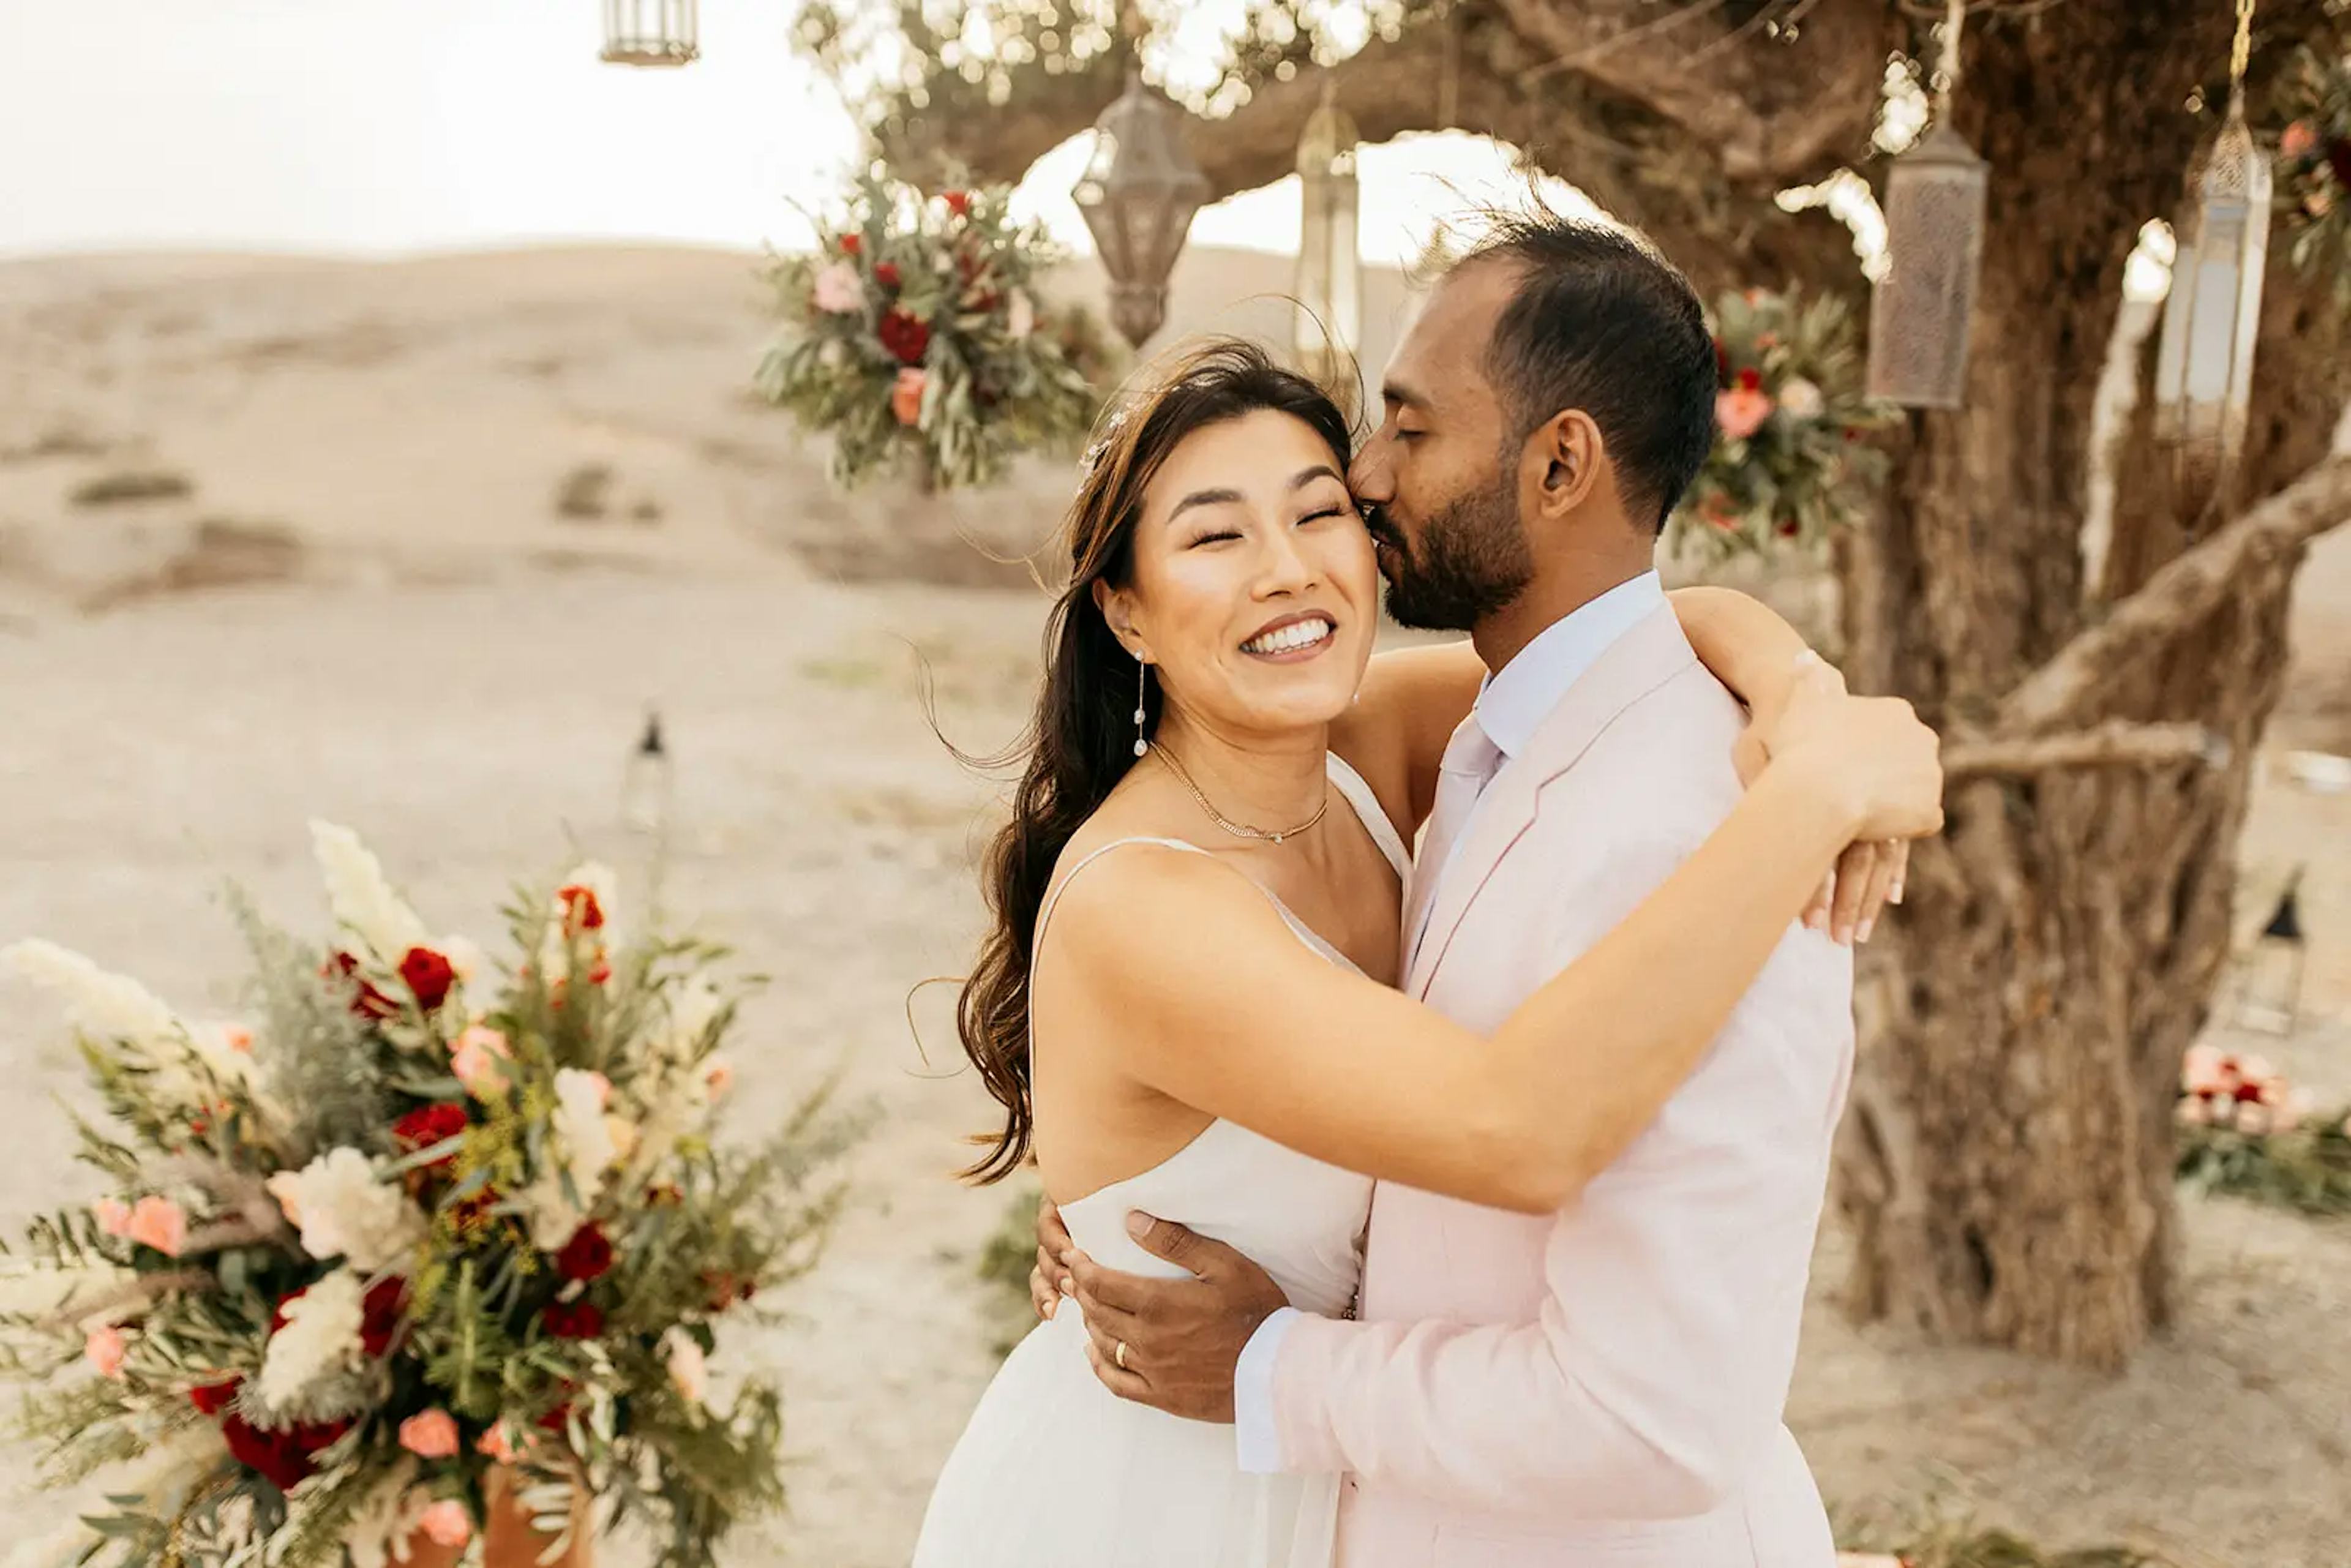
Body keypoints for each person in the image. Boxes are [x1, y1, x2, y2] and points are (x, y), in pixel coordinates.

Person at [915, 224, 1938, 1567]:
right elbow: (1515, 1126)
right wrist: (1809, 798)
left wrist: (1803, 688)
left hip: (1343, 1477)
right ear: (1126, 610)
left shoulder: (1374, 743)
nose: (1296, 563)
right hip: (1162, 1493)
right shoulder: (1149, 906)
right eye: (1216, 536)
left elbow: (1642, 635)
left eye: (1323, 506)